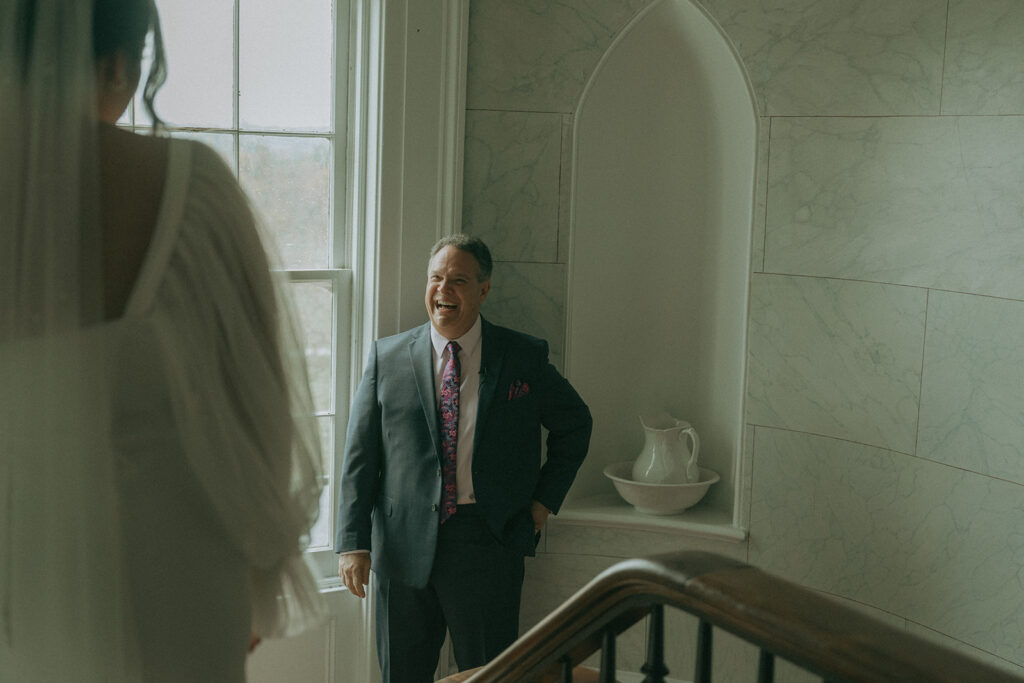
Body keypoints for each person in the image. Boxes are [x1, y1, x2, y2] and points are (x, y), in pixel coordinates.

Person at [0, 1, 323, 680]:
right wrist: (259, 583)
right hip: (176, 591)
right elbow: (259, 413)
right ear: (118, 62)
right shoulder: (191, 189)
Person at [336, 235, 593, 682]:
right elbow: (361, 457)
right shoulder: (387, 357)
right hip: (401, 548)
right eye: (436, 278)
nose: (443, 290)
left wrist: (542, 503)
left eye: (458, 280)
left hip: (487, 542)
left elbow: (575, 424)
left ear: (484, 289)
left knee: (488, 676)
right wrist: (352, 543)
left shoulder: (523, 356)